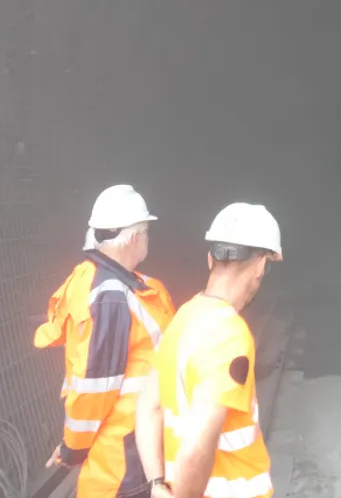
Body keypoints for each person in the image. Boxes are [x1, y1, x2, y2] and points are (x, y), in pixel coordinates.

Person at [35, 185, 176, 497]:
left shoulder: (92, 278)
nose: (148, 239)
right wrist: (73, 448)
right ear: (134, 237)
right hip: (126, 451)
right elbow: (95, 386)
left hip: (126, 441)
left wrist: (73, 444)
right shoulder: (112, 296)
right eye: (146, 231)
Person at [135, 203, 282, 498]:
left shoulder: (183, 317)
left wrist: (157, 484)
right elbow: (196, 446)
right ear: (260, 266)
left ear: (209, 259)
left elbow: (148, 407)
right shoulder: (229, 335)